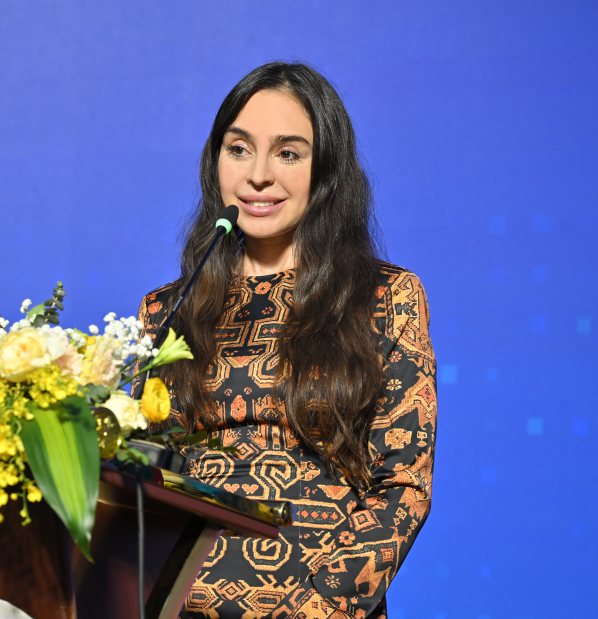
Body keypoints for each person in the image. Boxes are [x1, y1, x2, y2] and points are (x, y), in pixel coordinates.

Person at [136, 62, 436, 619]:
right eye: (239, 149)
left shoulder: (385, 298)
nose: (258, 175)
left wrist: (317, 609)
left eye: (288, 154)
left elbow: (403, 487)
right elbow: (141, 476)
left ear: (326, 171)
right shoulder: (166, 310)